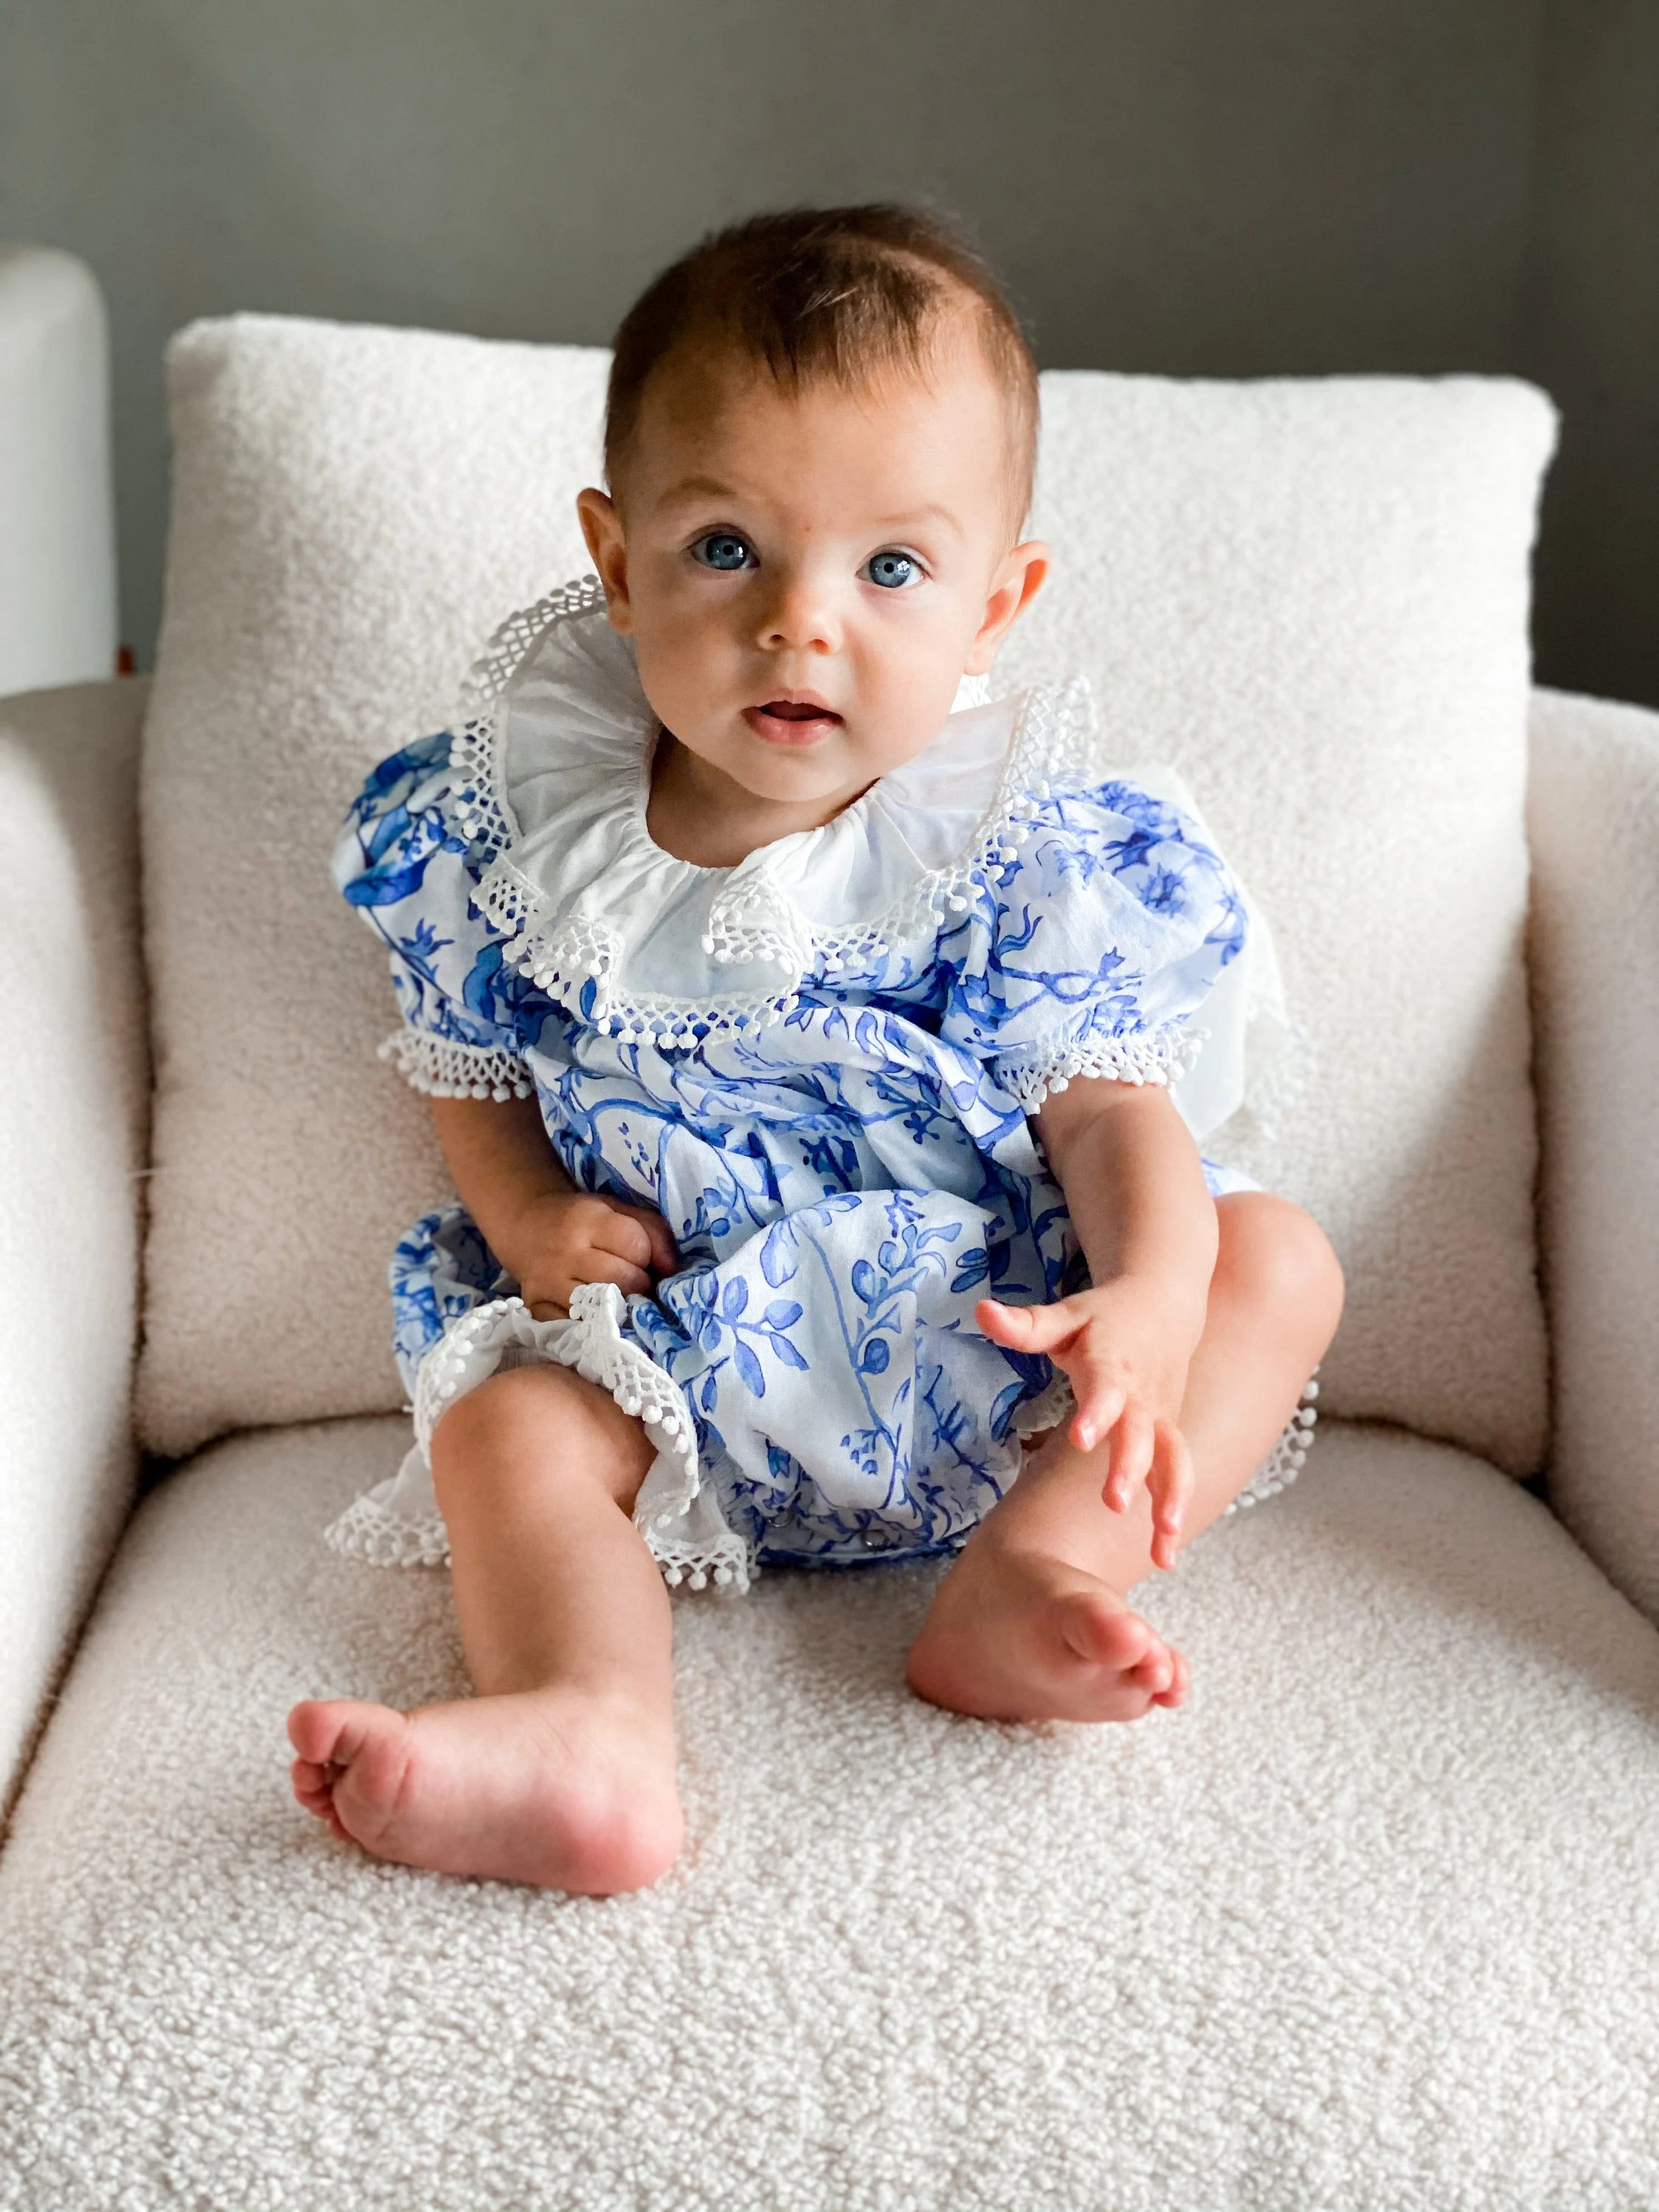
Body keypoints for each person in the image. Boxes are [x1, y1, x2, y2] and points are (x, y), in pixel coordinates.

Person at [288, 205, 1345, 1895]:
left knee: (1273, 1261)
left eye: (893, 569)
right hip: (673, 1357)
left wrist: (1149, 1288)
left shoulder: (1024, 852)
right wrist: (526, 1225)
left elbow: (1108, 1112)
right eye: (725, 549)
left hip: (1002, 1342)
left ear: (998, 603)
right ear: (618, 562)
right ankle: (591, 1729)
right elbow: (464, 1061)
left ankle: (1037, 1578)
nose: (802, 621)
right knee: (508, 1429)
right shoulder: (508, 828)